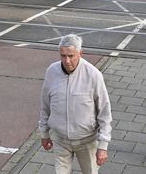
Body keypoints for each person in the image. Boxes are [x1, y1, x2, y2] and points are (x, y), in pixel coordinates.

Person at [39, 34, 112, 173]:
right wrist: (44, 133)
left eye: (71, 56)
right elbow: (44, 105)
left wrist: (103, 146)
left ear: (80, 53)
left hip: (86, 142)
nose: (66, 61)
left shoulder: (93, 75)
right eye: (63, 55)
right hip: (61, 141)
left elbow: (104, 112)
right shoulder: (51, 72)